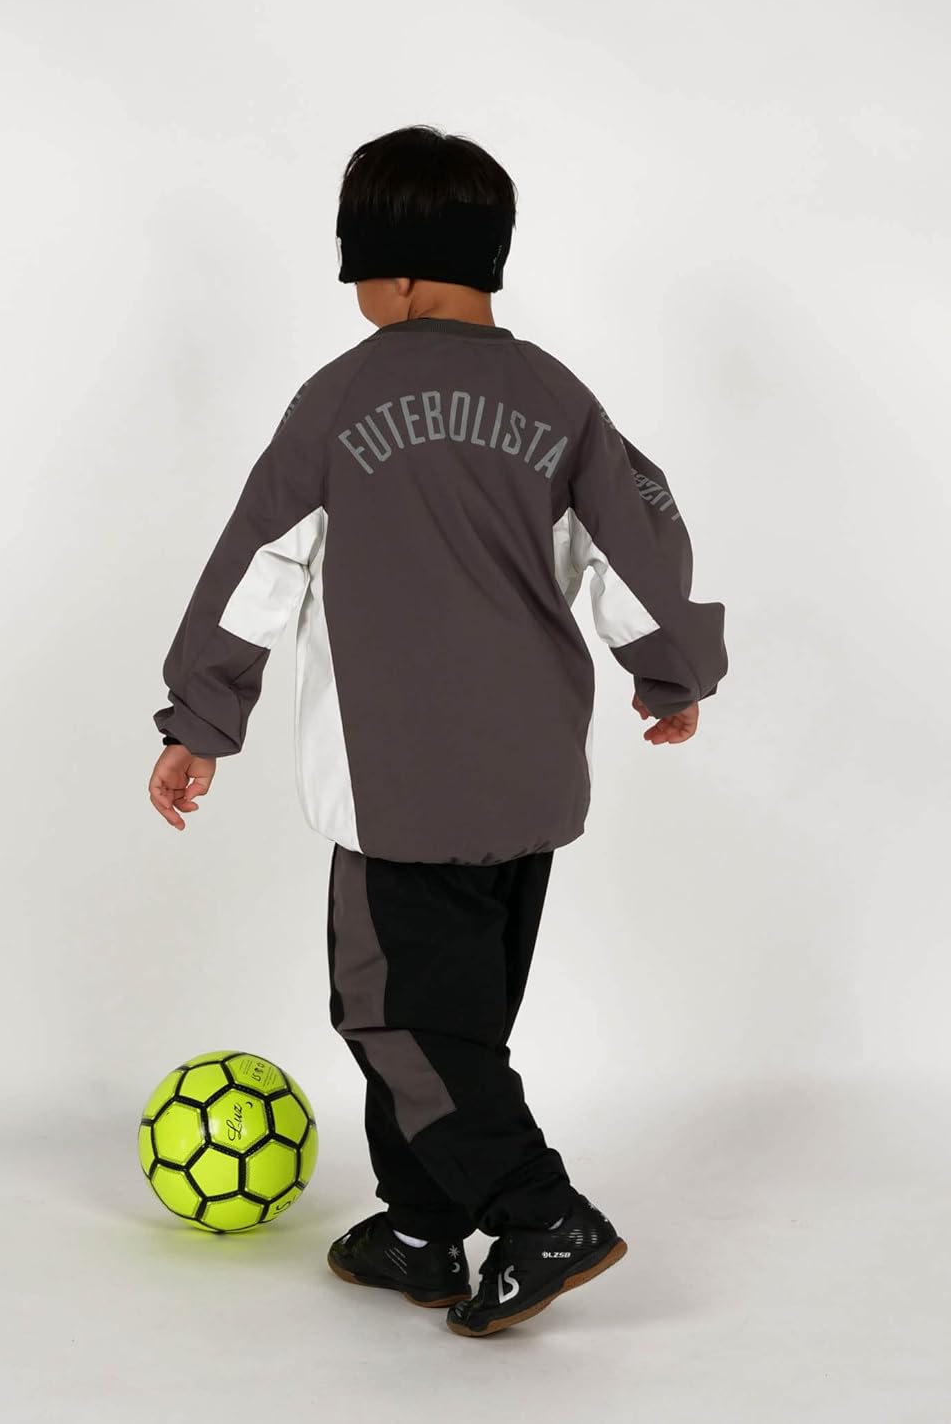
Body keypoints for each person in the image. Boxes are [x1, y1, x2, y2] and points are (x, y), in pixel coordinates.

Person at [146, 124, 728, 1338]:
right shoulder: (559, 399)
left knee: (392, 1017)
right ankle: (419, 1233)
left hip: (397, 787)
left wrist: (202, 715)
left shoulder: (338, 399)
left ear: (398, 274)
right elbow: (642, 536)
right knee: (456, 1027)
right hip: (528, 781)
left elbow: (254, 567)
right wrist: (670, 675)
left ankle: (540, 1213)